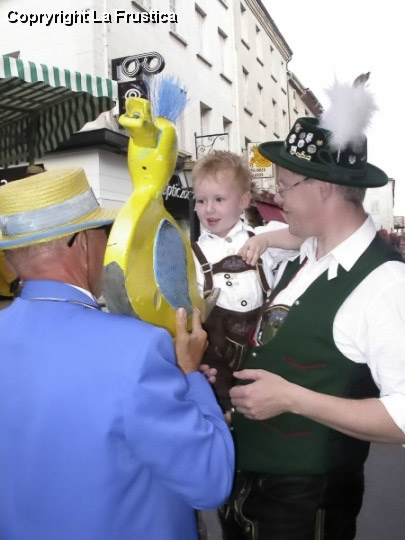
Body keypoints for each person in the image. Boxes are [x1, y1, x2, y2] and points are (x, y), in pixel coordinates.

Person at [0, 168, 235, 540]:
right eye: (102, 232)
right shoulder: (137, 348)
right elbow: (210, 479)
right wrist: (191, 376)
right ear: (82, 243)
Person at [223, 77, 405, 540]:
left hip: (306, 505)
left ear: (323, 186)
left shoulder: (385, 283)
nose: (277, 198)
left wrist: (292, 399)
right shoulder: (306, 255)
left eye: (284, 186)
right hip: (252, 487)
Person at [191, 151, 302, 411]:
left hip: (263, 353)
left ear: (243, 201)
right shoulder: (192, 255)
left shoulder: (261, 237)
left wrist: (266, 241)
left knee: (265, 412)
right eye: (201, 200)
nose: (209, 208)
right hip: (215, 362)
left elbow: (303, 237)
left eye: (219, 199)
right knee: (220, 412)